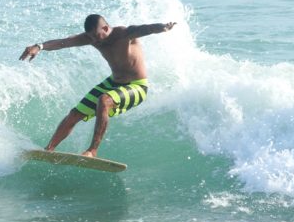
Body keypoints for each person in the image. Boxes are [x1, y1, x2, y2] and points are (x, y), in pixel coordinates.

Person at [19, 14, 176, 158]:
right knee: (74, 115)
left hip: (137, 86)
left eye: (96, 36)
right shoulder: (91, 38)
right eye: (90, 37)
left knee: (104, 100)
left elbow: (145, 29)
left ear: (106, 28)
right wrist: (39, 46)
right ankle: (49, 149)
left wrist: (162, 27)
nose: (94, 40)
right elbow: (63, 42)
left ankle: (92, 151)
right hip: (113, 82)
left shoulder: (123, 34)